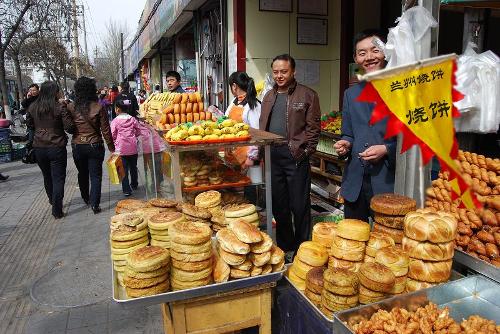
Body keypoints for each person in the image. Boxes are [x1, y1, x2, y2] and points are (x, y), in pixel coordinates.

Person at [260, 54, 321, 255]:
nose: (279, 75)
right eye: (276, 72)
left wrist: (304, 153)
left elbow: (314, 130)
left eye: (284, 71)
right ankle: (286, 247)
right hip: (273, 155)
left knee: (299, 205)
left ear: (293, 71)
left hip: (295, 154)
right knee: (280, 205)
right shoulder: (269, 96)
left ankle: (303, 248)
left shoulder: (307, 95)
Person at [334, 29, 396, 222]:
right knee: (353, 241)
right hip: (355, 183)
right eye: (362, 53)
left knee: (386, 245)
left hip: (388, 183)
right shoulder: (351, 95)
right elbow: (349, 134)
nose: (369, 57)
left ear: (385, 52)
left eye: (375, 50)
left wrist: (387, 149)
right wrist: (345, 143)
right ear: (356, 58)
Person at [26, 81, 75, 218]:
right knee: (58, 178)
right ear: (54, 92)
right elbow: (69, 127)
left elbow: (29, 124)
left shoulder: (33, 106)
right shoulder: (59, 107)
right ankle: (57, 210)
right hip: (56, 146)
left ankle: (52, 201)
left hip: (39, 146)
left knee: (47, 176)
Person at [70, 77, 115, 214]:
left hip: (78, 145)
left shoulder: (71, 106)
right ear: (92, 90)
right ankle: (95, 204)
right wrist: (112, 148)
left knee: (82, 173)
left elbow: (68, 126)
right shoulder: (98, 106)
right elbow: (105, 130)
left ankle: (85, 197)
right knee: (95, 176)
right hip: (94, 145)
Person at [225, 71, 261, 169]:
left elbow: (256, 133)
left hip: (246, 157)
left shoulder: (253, 105)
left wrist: (251, 157)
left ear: (234, 86)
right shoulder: (234, 101)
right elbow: (227, 120)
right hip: (233, 154)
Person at [111, 97, 140, 196]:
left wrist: (115, 142)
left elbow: (113, 134)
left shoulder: (115, 121)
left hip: (121, 149)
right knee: (133, 167)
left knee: (123, 169)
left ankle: (126, 190)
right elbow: (138, 130)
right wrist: (134, 136)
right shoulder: (132, 119)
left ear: (118, 109)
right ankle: (135, 184)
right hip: (133, 147)